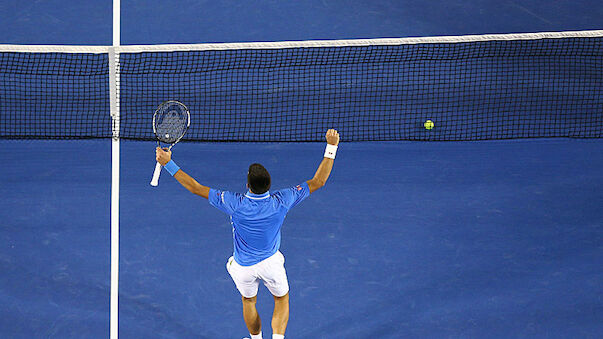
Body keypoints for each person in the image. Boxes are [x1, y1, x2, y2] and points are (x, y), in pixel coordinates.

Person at [155, 129, 340, 339]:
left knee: (248, 301)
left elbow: (196, 188)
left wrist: (167, 163)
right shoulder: (283, 200)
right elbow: (318, 181)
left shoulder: (234, 203)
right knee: (281, 300)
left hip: (243, 268)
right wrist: (331, 146)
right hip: (271, 264)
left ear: (247, 185)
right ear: (269, 186)